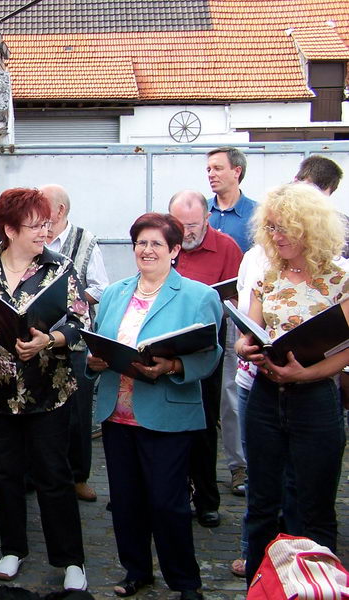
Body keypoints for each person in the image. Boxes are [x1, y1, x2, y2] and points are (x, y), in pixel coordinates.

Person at [0, 187, 89, 591]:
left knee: (53, 475)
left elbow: (83, 322)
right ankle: (12, 548)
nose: (45, 232)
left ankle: (70, 560)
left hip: (48, 391)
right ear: (9, 229)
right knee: (6, 472)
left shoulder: (60, 269)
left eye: (48, 224)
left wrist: (52, 339)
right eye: (35, 225)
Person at [87, 212, 222, 600]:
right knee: (126, 502)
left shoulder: (200, 296)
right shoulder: (115, 293)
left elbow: (210, 357)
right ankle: (136, 571)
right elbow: (99, 343)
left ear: (175, 250)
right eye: (141, 243)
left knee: (168, 503)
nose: (147, 250)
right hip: (118, 414)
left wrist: (175, 365)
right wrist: (93, 361)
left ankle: (185, 582)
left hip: (167, 412)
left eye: (156, 244)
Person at [235, 183, 349, 582]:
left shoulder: (341, 279)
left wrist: (305, 373)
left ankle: (317, 586)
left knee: (313, 506)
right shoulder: (268, 274)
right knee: (262, 502)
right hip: (266, 396)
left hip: (315, 399)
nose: (277, 236)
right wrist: (243, 345)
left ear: (310, 228)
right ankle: (262, 585)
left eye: (286, 228)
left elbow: (346, 351)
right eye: (271, 228)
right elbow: (251, 329)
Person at [168, 190, 244, 528]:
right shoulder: (164, 243)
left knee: (204, 421)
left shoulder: (226, 246)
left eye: (192, 225)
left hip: (206, 346)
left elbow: (239, 296)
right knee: (170, 425)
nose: (185, 232)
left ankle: (206, 498)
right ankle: (174, 492)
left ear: (207, 219)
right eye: (178, 225)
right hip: (167, 343)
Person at [40, 183, 108, 503]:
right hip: (38, 340)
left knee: (79, 412)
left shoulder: (86, 240)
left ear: (60, 210)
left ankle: (78, 476)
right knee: (40, 407)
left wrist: (70, 300)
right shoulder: (33, 237)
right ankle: (38, 473)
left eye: (42, 207)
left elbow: (101, 288)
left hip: (76, 338)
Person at [294, 154, 348, 258]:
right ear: (296, 181)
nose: (313, 198)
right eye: (310, 190)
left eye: (319, 193)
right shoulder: (275, 217)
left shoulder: (342, 227)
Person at [206, 147, 256, 252]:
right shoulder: (201, 210)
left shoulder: (257, 213)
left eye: (217, 168)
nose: (211, 175)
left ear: (237, 171)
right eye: (209, 169)